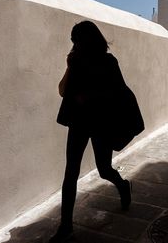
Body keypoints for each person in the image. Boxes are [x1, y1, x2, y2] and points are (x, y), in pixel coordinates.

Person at [50, 21, 138, 243]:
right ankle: (66, 227)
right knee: (71, 172)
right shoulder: (76, 61)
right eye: (72, 40)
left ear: (88, 39)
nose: (74, 44)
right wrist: (70, 66)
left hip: (101, 123)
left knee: (104, 169)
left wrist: (89, 97)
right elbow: (62, 91)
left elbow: (118, 92)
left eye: (76, 39)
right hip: (78, 122)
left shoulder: (109, 62)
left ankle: (122, 184)